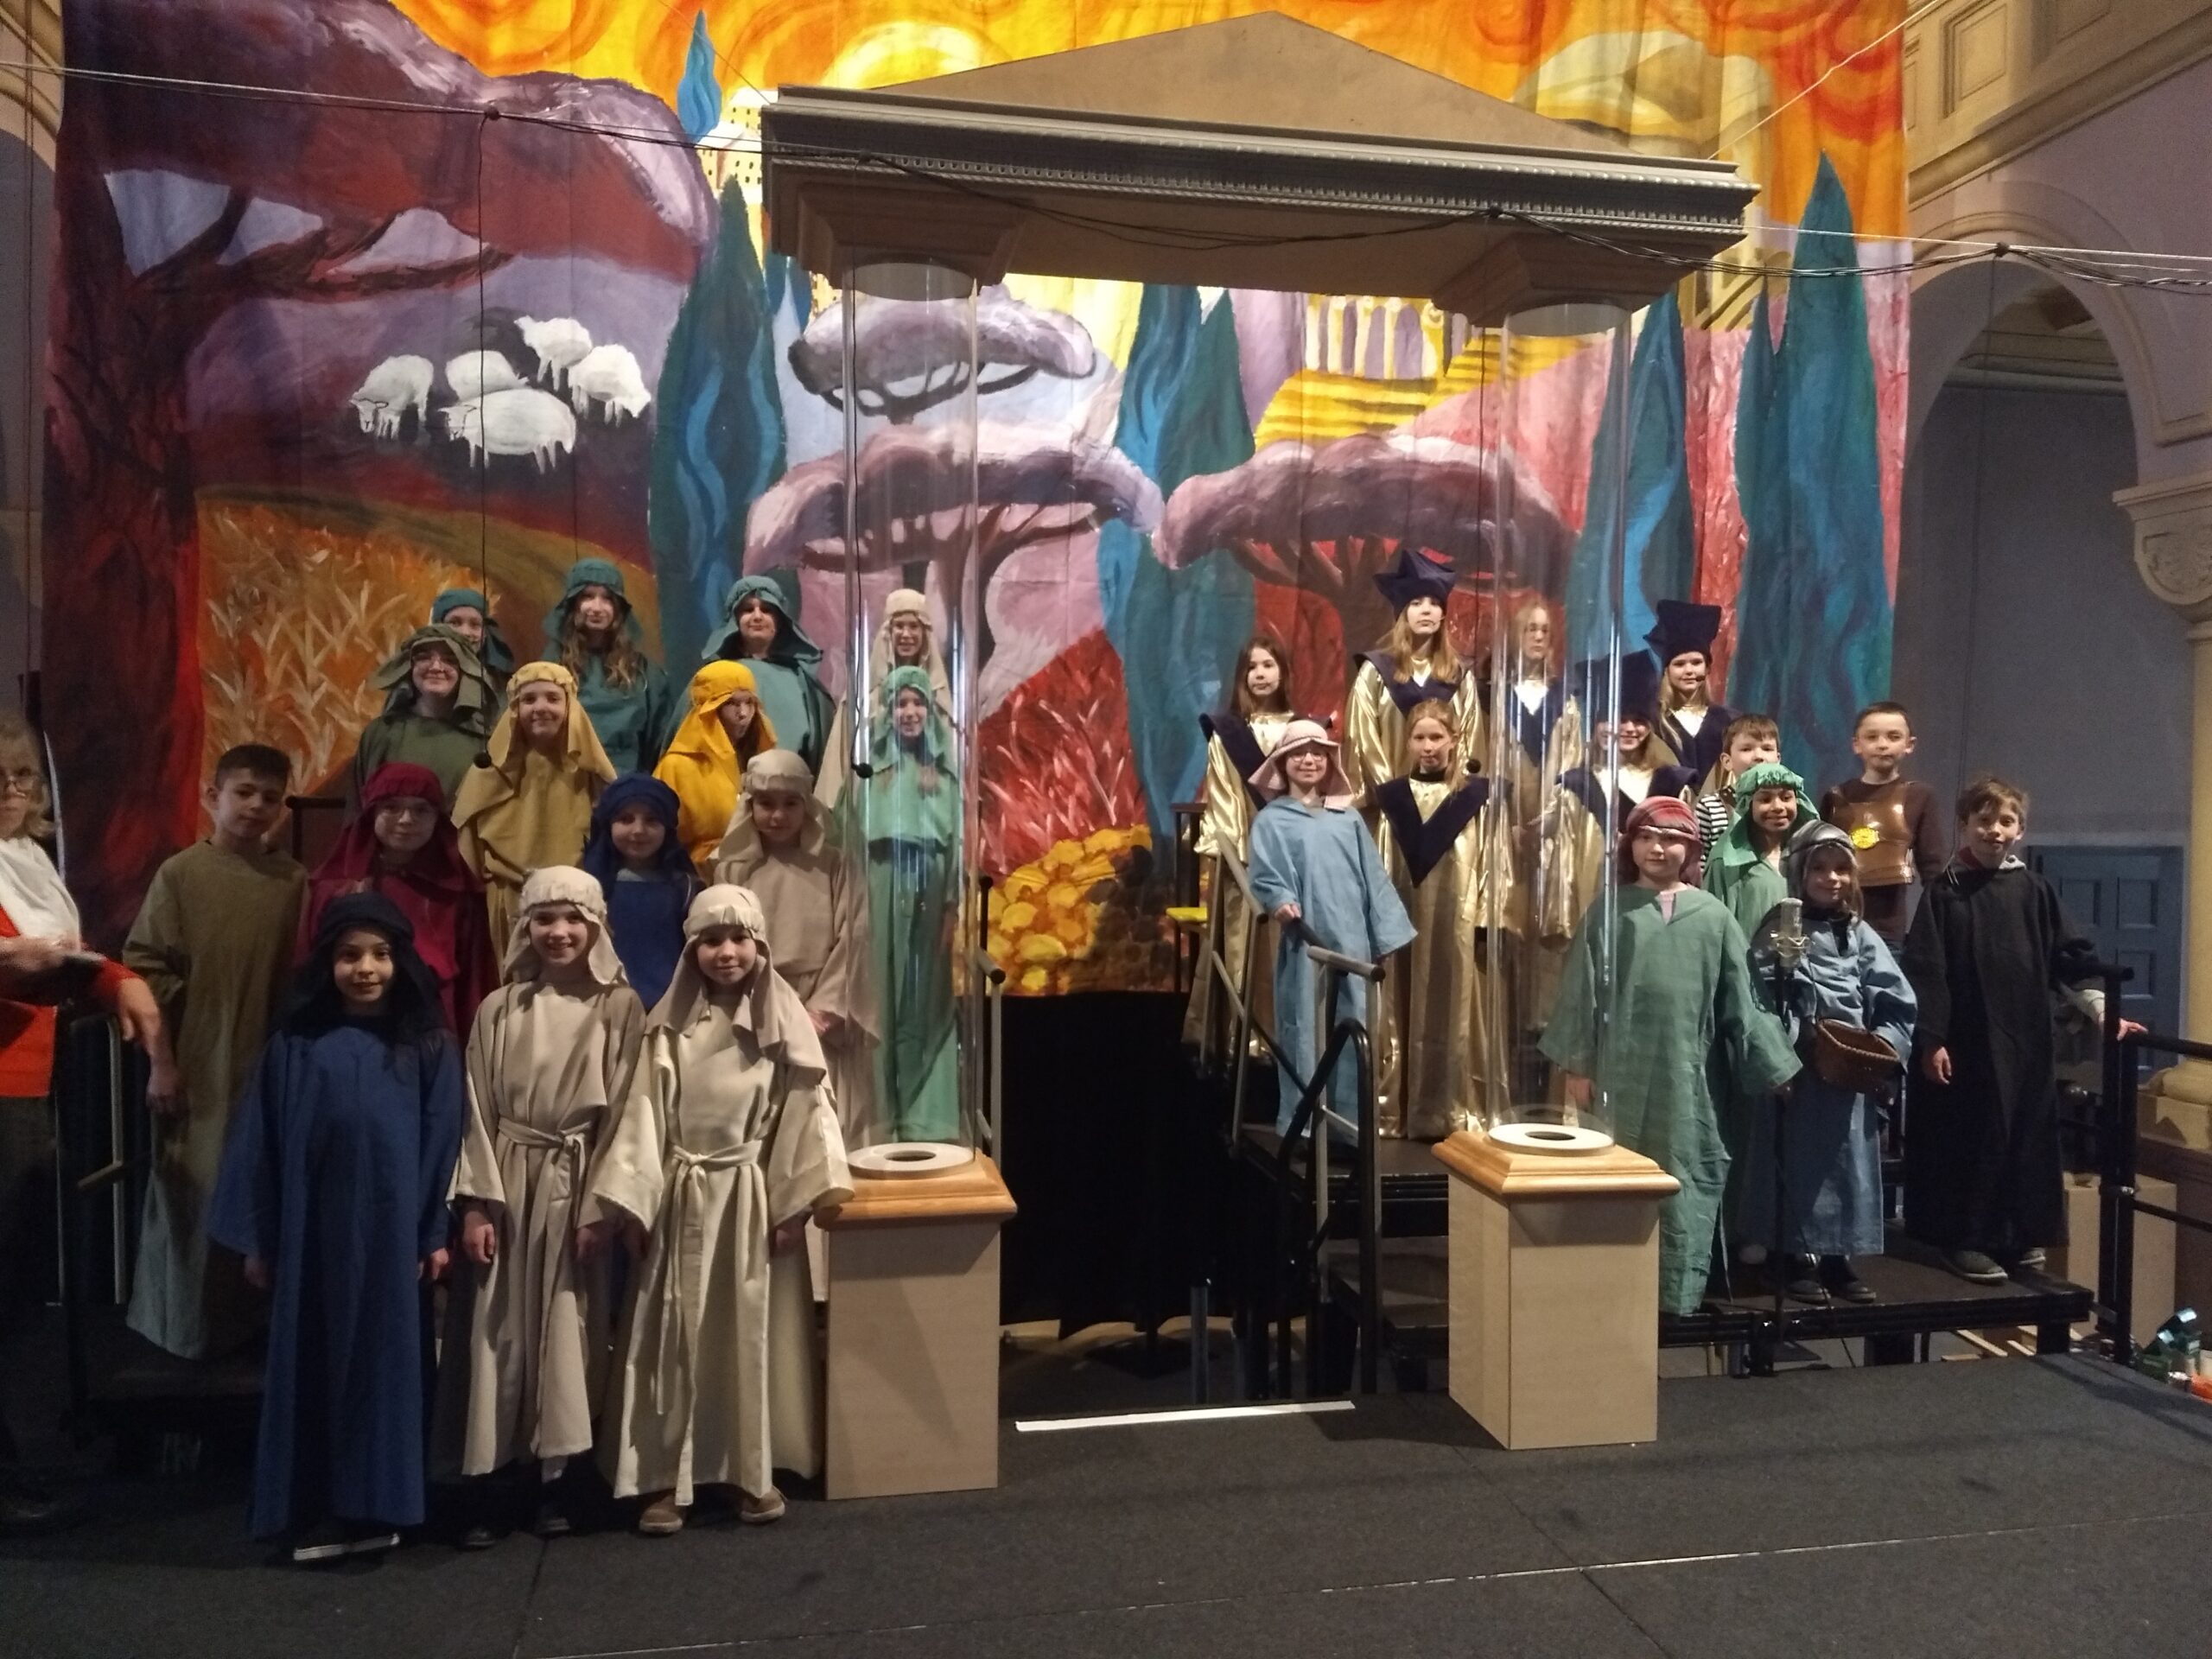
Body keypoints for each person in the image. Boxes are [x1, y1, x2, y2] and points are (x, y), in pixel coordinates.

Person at [207, 893, 465, 1562]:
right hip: (310, 1239)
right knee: (310, 1360)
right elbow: (260, 1146)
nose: (365, 969)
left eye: (380, 954)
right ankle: (311, 1501)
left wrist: (431, 1232)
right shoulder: (295, 1046)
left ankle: (381, 1506)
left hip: (388, 1241)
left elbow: (443, 1144)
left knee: (384, 1364)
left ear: (401, 961)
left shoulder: (427, 1047)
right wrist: (260, 1238)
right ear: (327, 963)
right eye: (350, 955)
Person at [588, 885, 853, 1535]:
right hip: (680, 1196)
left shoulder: (785, 1028)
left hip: (751, 1200)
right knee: (672, 1337)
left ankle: (747, 1469)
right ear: (691, 950)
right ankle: (662, 1477)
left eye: (739, 939)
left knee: (748, 1337)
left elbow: (806, 1117)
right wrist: (637, 1206)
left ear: (760, 946)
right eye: (711, 940)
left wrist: (792, 1206)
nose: (726, 952)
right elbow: (643, 1117)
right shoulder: (668, 1029)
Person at [436, 868, 644, 1545]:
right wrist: (475, 1205)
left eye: (573, 919)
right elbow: (475, 1110)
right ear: (525, 927)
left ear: (596, 926)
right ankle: (492, 1476)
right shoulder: (500, 1009)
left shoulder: (620, 1008)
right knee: (497, 1329)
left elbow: (629, 1112)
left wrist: (602, 1206)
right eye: (545, 919)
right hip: (507, 1181)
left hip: (575, 1186)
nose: (559, 932)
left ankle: (558, 1476)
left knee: (566, 1328)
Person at [1541, 797, 1799, 1315]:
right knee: (1616, 1176)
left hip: (1691, 1077)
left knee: (1685, 1172)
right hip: (1618, 1075)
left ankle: (1675, 1295)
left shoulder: (1714, 917)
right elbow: (1579, 993)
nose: (1657, 848)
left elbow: (1742, 999)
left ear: (1692, 850)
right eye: (1646, 837)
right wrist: (1577, 1066)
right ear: (1630, 846)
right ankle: (1610, 1296)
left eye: (1671, 838)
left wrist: (1774, 1066)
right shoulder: (1608, 912)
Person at [0, 713, 162, 1535]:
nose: (10, 791)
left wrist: (120, 980)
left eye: (21, 776)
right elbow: (25, 960)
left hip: (29, 1087)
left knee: (18, 1283)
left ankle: (15, 1457)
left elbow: (61, 957)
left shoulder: (24, 862)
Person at [1900, 776, 2139, 1284]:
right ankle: (1965, 1238)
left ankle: (2018, 1234)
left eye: (2005, 821)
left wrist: (2102, 1011)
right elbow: (1927, 970)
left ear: (2020, 830)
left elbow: (2069, 958)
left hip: (2026, 1039)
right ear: (1965, 824)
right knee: (1973, 1137)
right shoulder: (1945, 893)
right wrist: (1932, 1038)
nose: (1994, 830)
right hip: (1964, 1043)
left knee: (2025, 1134)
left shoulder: (2035, 891)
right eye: (1984, 820)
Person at [121, 743, 306, 1362]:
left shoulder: (292, 882)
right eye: (243, 792)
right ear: (213, 796)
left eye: (270, 797)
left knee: (259, 1189)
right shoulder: (181, 875)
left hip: (268, 1061)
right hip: (199, 1058)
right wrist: (162, 1063)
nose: (256, 806)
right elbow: (145, 971)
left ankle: (247, 1327)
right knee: (194, 1190)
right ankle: (182, 1331)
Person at [1743, 823, 1916, 1305]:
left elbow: (1894, 995)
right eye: (1819, 868)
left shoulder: (1858, 933)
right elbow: (1758, 996)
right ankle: (1790, 1255)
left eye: (1841, 868)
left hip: (1847, 1072)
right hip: (1798, 1072)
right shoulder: (1779, 925)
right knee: (1794, 1163)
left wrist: (1882, 1050)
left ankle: (1838, 1256)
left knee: (1848, 1165)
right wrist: (1780, 1053)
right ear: (1800, 871)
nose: (1831, 878)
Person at [1246, 721, 1415, 1136]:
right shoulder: (1272, 821)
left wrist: (1383, 933)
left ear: (1329, 761)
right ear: (1282, 762)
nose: (1309, 760)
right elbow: (1267, 873)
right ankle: (1307, 1128)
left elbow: (1373, 877)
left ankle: (1350, 1129)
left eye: (1318, 753)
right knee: (1306, 1027)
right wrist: (1280, 899)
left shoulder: (1348, 818)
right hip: (1308, 944)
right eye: (1299, 753)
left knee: (1354, 1027)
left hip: (1352, 943)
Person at [716, 749, 878, 1148]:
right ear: (750, 805)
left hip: (818, 1006)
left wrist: (821, 1012)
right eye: (766, 804)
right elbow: (723, 941)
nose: (778, 816)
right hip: (756, 1001)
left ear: (808, 804)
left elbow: (854, 936)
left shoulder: (834, 864)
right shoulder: (731, 868)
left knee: (825, 1122)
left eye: (791, 803)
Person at [1370, 702, 1516, 1138]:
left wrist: (1488, 916)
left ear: (1455, 740)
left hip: (1460, 921)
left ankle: (1455, 1108)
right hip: (1404, 918)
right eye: (1420, 737)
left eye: (1437, 737)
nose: (1428, 746)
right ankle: (1401, 1108)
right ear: (1408, 742)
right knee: (1401, 1005)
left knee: (1458, 1008)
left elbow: (1494, 860)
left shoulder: (1476, 799)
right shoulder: (1394, 799)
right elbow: (1381, 865)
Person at [302, 763, 499, 1037]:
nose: (406, 820)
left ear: (438, 818)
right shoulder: (336, 888)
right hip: (349, 1023)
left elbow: (473, 982)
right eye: (392, 807)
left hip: (431, 1026)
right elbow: (311, 970)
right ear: (371, 813)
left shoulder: (456, 892)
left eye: (421, 810)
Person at [1184, 635, 1297, 1057]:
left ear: (1283, 672)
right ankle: (1243, 1038)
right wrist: (1245, 861)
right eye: (1252, 667)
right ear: (1240, 677)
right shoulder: (1226, 734)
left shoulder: (1301, 732)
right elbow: (1225, 800)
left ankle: (1290, 1036)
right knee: (1242, 946)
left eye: (1269, 665)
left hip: (1294, 861)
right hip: (1245, 861)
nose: (1261, 674)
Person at [861, 669, 962, 1144]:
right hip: (879, 885)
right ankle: (879, 1116)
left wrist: (951, 906)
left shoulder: (944, 777)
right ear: (888, 712)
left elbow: (957, 846)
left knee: (924, 1000)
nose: (909, 712)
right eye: (900, 703)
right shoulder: (870, 775)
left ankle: (925, 1117)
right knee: (880, 997)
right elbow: (848, 838)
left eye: (918, 703)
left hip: (930, 886)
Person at [453, 662, 616, 944]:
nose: (540, 707)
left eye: (553, 698)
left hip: (573, 895)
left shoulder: (591, 772)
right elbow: (468, 836)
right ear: (514, 709)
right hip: (509, 896)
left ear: (570, 707)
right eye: (528, 699)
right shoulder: (491, 771)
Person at [1344, 549, 1480, 809]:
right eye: (1416, 603)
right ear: (1403, 612)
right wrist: (1393, 793)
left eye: (1434, 603)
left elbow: (1470, 743)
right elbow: (1362, 739)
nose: (1426, 610)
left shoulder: (1459, 676)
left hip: (1447, 807)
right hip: (1392, 807)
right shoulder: (1375, 672)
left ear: (1443, 615)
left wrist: (1454, 796)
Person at [1821, 702, 1948, 948]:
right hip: (1834, 921)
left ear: (1909, 744)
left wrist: (1936, 926)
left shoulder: (1920, 796)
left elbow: (1932, 866)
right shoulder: (1835, 798)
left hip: (1888, 927)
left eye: (1893, 737)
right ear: (1856, 744)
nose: (1882, 744)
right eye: (1872, 737)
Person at [818, 588, 952, 811]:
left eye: (914, 626)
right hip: (875, 804)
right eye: (899, 626)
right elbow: (840, 757)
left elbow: (948, 756)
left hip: (926, 805)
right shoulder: (863, 695)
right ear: (887, 632)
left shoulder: (937, 695)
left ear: (924, 633)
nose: (906, 634)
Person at [543, 558, 678, 776]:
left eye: (607, 598)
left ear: (618, 608)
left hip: (626, 786)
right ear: (573, 603)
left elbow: (661, 744)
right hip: (566, 783)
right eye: (588, 596)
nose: (597, 608)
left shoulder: (645, 675)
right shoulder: (550, 669)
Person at [346, 624, 497, 816]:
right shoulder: (381, 733)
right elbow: (358, 811)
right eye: (424, 657)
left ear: (465, 671)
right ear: (409, 667)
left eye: (449, 659)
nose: (436, 667)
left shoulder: (484, 739)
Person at [580, 775, 700, 1011]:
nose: (638, 830)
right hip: (600, 1006)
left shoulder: (685, 887)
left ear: (668, 827)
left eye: (652, 820)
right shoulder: (588, 886)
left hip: (669, 1008)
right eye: (625, 819)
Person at [704, 577, 836, 778]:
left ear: (779, 620)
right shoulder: (714, 677)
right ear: (735, 620)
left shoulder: (802, 682)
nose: (757, 616)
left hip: (789, 789)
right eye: (748, 610)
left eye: (766, 610)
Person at [655, 662, 776, 870]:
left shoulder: (761, 761)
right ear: (710, 710)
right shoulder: (677, 767)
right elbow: (662, 838)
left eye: (749, 702)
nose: (744, 713)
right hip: (699, 875)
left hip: (758, 873)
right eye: (731, 703)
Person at [1702, 760, 1818, 940]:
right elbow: (1713, 928)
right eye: (1765, 799)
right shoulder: (1726, 863)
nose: (1778, 807)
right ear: (1747, 805)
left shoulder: (1809, 856)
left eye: (1786, 798)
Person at [1649, 601, 1734, 785]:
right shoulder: (1653, 721)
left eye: (1696, 663)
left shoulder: (1729, 721)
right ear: (1666, 670)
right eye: (1679, 664)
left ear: (1707, 668)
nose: (1689, 671)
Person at [1694, 713, 1782, 852]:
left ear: (1778, 760)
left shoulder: (1787, 806)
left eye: (1767, 749)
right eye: (1746, 749)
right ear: (1727, 761)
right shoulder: (1711, 806)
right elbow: (1699, 858)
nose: (1759, 756)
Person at [432, 588, 516, 696]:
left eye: (475, 625)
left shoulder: (502, 685)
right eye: (454, 623)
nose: (465, 632)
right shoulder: (422, 676)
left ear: (485, 633)